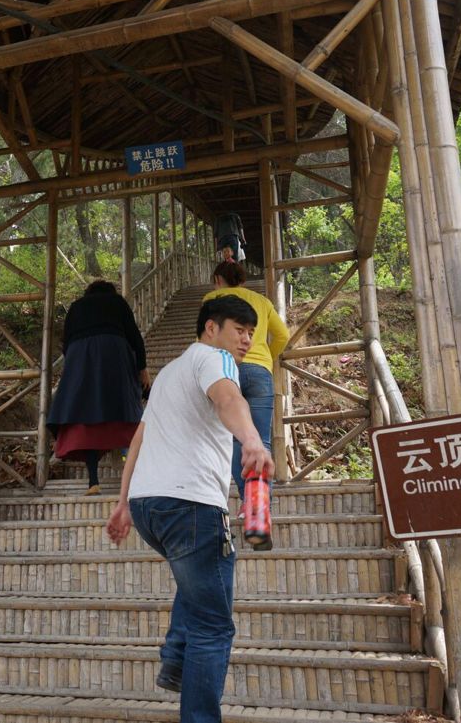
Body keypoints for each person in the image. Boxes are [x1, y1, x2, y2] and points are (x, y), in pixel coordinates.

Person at [106, 296, 273, 723]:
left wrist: (124, 502)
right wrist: (252, 440)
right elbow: (228, 400)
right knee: (214, 626)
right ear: (211, 328)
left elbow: (140, 438)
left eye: (252, 332)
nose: (247, 339)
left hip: (149, 507)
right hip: (190, 504)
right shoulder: (214, 359)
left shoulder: (166, 374)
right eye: (240, 329)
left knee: (198, 575)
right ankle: (195, 703)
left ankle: (177, 657)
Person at [47, 280, 151, 495]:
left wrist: (78, 369)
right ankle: (140, 476)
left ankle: (93, 481)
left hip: (80, 359)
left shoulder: (77, 307)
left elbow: (66, 344)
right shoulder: (117, 302)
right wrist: (142, 368)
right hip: (115, 355)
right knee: (126, 413)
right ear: (110, 292)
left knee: (87, 420)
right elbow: (135, 338)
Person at [203, 261, 289, 509]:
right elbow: (282, 335)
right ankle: (261, 505)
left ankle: (246, 502)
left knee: (233, 439)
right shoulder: (261, 301)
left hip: (225, 370)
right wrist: (265, 359)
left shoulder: (212, 298)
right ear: (242, 280)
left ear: (218, 279)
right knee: (260, 440)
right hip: (260, 372)